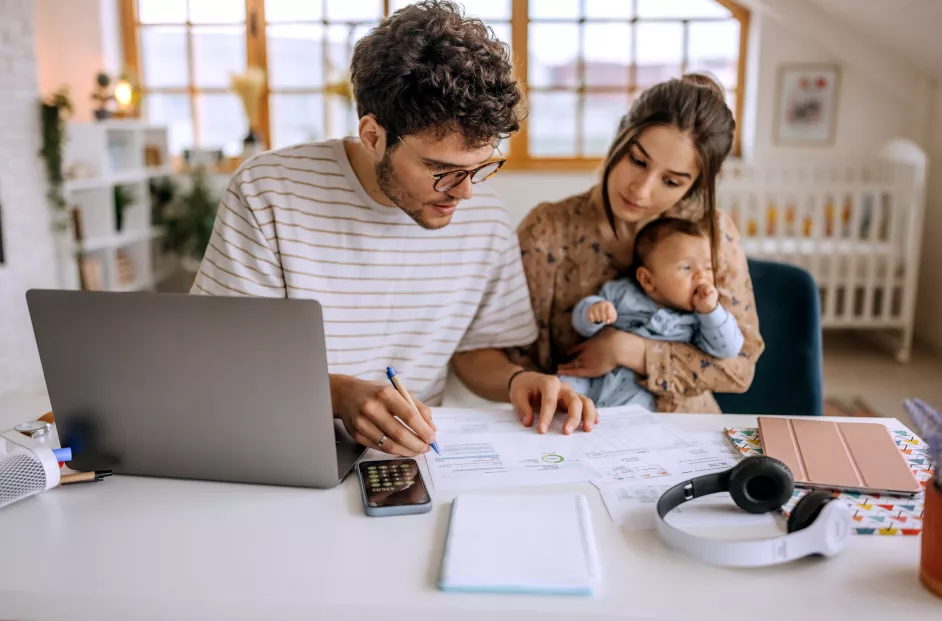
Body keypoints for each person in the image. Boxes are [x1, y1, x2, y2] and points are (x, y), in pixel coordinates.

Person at [189, 1, 597, 458]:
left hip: (412, 458)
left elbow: (473, 352)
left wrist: (519, 381)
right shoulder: (269, 191)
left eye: (480, 167)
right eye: (441, 169)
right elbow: (222, 360)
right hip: (282, 445)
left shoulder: (485, 216)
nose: (464, 193)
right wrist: (339, 395)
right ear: (372, 135)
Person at [507, 73, 765, 419]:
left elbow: (739, 368)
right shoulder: (547, 231)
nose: (641, 190)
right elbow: (510, 359)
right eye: (638, 161)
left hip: (685, 431)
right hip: (574, 425)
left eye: (671, 181)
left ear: (695, 186)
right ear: (619, 138)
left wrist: (629, 349)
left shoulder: (713, 234)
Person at [559, 217, 745, 409]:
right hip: (594, 379)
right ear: (648, 280)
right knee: (564, 386)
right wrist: (593, 312)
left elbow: (728, 349)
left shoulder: (699, 320)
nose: (701, 275)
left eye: (708, 268)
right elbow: (582, 326)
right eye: (686, 267)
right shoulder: (622, 293)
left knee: (635, 416)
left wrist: (711, 312)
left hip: (639, 391)